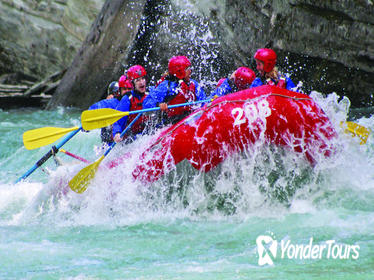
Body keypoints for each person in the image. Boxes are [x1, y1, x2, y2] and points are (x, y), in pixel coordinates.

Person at [142, 55, 207, 125]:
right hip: (171, 124)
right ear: (180, 71)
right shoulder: (166, 86)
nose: (190, 71)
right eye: (187, 69)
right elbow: (146, 103)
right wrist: (158, 104)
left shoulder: (193, 84)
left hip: (190, 120)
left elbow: (204, 102)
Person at [89, 76, 133, 144]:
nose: (112, 96)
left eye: (115, 94)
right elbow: (97, 107)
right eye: (112, 94)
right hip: (109, 140)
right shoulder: (109, 103)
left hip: (126, 138)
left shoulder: (127, 101)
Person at [112, 65, 149, 143]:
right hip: (130, 139)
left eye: (143, 79)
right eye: (138, 80)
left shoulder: (150, 94)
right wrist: (117, 133)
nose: (142, 82)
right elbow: (117, 120)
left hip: (147, 135)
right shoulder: (127, 99)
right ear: (132, 84)